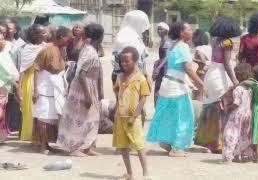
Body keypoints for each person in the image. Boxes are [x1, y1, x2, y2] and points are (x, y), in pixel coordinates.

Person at [147, 22, 205, 157]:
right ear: (181, 33)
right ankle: (177, 147)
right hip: (177, 87)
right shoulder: (183, 47)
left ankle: (166, 142)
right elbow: (188, 69)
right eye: (189, 29)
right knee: (183, 116)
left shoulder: (172, 45)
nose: (192, 31)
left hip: (168, 84)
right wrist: (201, 84)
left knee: (168, 115)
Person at [194, 16, 240, 153]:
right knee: (221, 109)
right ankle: (218, 143)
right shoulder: (227, 43)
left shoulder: (215, 41)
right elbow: (226, 64)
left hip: (211, 74)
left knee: (211, 108)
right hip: (220, 75)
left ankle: (209, 141)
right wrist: (235, 80)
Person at [57, 23, 104, 157]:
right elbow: (81, 73)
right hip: (83, 89)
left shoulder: (89, 49)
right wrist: (88, 95)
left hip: (89, 87)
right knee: (80, 117)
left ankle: (86, 146)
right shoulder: (89, 51)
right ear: (99, 37)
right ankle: (74, 148)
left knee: (92, 118)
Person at [32, 26, 71, 154]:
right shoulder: (47, 49)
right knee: (43, 117)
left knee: (52, 117)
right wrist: (36, 90)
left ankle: (48, 143)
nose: (69, 40)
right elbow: (36, 69)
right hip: (44, 86)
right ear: (61, 37)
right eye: (67, 37)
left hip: (56, 87)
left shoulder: (61, 49)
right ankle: (43, 145)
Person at [113, 47, 150, 180]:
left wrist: (134, 116)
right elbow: (117, 94)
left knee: (139, 145)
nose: (124, 64)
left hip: (133, 119)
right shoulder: (119, 77)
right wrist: (117, 111)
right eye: (122, 61)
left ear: (135, 61)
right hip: (120, 117)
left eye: (127, 61)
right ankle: (129, 173)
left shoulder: (141, 78)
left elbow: (143, 98)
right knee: (123, 147)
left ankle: (145, 172)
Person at [20, 24, 47, 141]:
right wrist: (19, 88)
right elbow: (23, 69)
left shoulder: (46, 46)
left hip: (43, 79)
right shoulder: (28, 48)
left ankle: (40, 137)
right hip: (30, 80)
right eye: (43, 33)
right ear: (36, 35)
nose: (46, 34)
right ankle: (31, 136)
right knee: (31, 109)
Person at [222, 63, 253, 163]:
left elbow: (236, 103)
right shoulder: (250, 89)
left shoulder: (238, 89)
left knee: (231, 134)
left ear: (238, 75)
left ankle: (228, 156)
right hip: (247, 114)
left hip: (237, 114)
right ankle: (240, 155)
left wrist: (227, 108)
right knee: (243, 135)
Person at [112, 10, 150, 85]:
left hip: (132, 77)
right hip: (128, 79)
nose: (144, 28)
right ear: (137, 22)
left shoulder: (135, 36)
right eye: (142, 23)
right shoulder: (127, 37)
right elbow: (130, 62)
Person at [0, 32, 20, 143]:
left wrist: (15, 82)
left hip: (4, 88)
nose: (2, 42)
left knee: (3, 112)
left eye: (3, 39)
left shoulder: (5, 54)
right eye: (0, 39)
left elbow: (12, 70)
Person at [152, 22, 171, 105]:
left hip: (164, 69)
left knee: (160, 89)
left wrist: (159, 67)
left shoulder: (167, 42)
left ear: (166, 31)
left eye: (161, 29)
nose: (159, 31)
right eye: (158, 29)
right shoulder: (162, 41)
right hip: (161, 67)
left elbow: (167, 57)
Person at [192, 29, 211, 101]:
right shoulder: (209, 48)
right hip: (209, 71)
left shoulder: (199, 48)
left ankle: (198, 109)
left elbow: (203, 61)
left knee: (199, 92)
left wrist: (193, 59)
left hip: (201, 71)